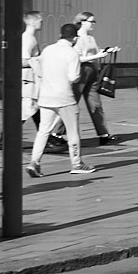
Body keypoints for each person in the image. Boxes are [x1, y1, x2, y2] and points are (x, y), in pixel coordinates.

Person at [30, 23, 87, 176]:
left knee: (43, 131)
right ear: (75, 38)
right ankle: (76, 164)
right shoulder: (72, 53)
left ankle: (34, 162)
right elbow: (73, 77)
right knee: (73, 131)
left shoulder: (48, 49)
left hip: (46, 96)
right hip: (64, 97)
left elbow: (35, 63)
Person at [72, 12, 120, 145]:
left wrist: (107, 51)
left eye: (94, 21)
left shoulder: (90, 38)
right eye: (91, 21)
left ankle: (103, 134)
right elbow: (77, 58)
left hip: (93, 71)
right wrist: (97, 57)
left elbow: (95, 51)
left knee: (96, 104)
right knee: (71, 103)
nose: (93, 24)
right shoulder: (77, 38)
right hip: (82, 71)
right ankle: (56, 133)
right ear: (82, 22)